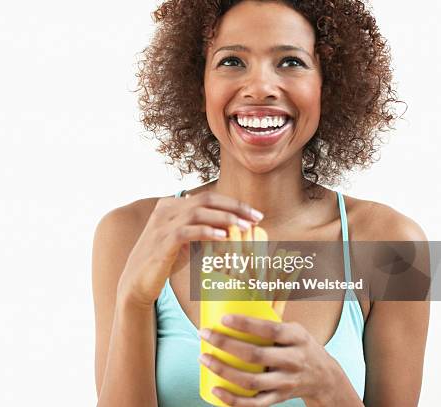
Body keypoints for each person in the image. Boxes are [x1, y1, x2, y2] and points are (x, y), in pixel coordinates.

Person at [92, 1, 429, 406]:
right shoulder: (129, 232)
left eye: (290, 61)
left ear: (329, 85)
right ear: (199, 86)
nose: (260, 87)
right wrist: (134, 298)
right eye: (232, 61)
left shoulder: (397, 245)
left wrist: (327, 386)